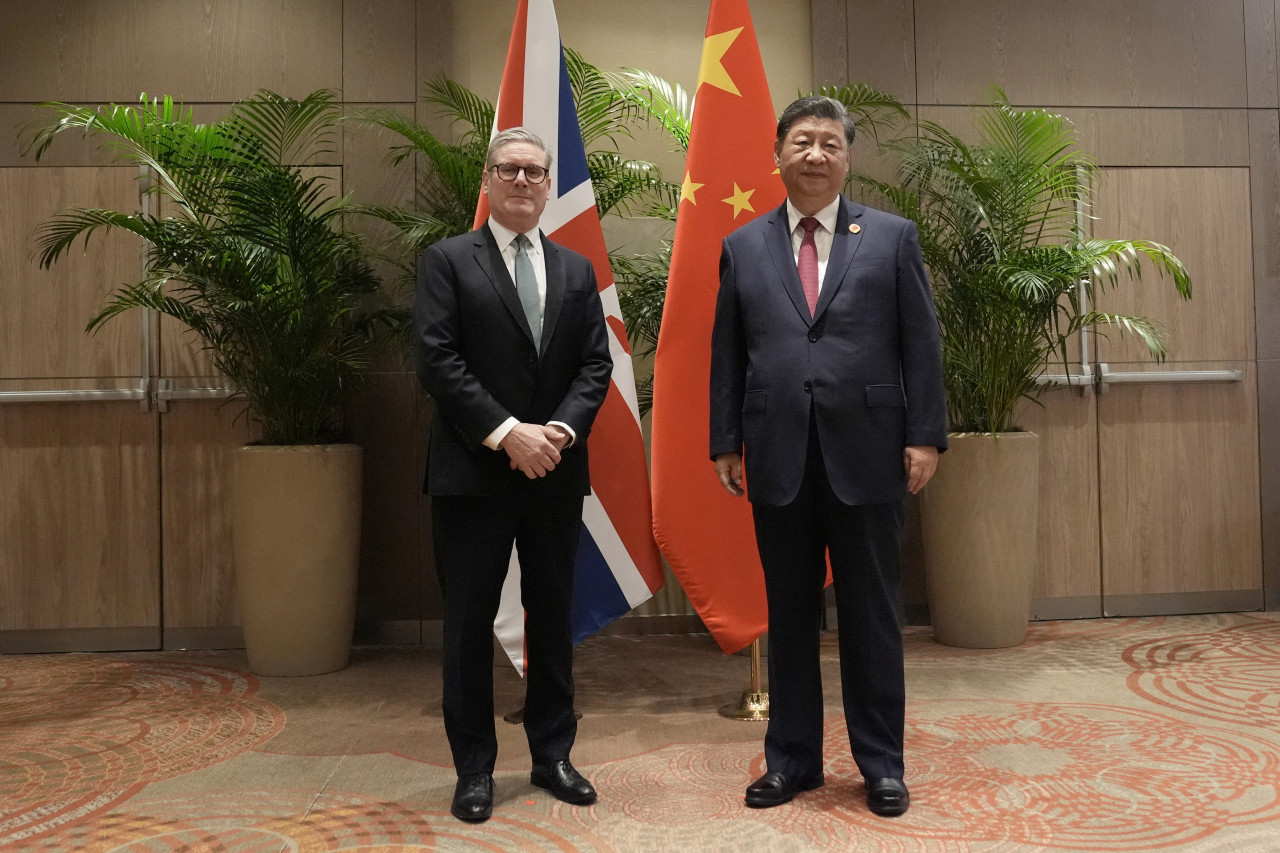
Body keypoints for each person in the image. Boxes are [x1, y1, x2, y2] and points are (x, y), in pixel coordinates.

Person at [709, 96, 947, 816]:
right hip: (777, 452)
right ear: (778, 153)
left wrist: (925, 434)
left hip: (870, 453)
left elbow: (921, 345)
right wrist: (725, 438)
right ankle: (792, 761)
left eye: (830, 144)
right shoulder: (743, 245)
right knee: (787, 615)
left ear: (847, 157)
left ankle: (881, 764)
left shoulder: (892, 237)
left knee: (872, 615)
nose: (816, 155)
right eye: (802, 142)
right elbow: (728, 351)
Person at [415, 127, 612, 823]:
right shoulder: (447, 261)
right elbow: (438, 360)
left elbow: (597, 364)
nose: (523, 180)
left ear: (548, 183)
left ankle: (553, 753)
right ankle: (474, 768)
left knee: (554, 617)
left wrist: (556, 431)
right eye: (509, 169)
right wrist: (507, 433)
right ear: (488, 181)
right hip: (474, 473)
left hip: (554, 470)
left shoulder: (577, 269)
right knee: (468, 625)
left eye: (534, 170)